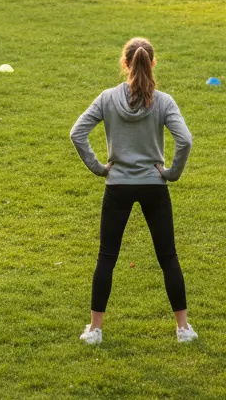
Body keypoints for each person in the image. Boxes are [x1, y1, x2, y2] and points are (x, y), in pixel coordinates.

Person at [70, 37, 197, 346]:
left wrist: (100, 167)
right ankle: (183, 329)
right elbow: (186, 140)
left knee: (107, 257)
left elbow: (77, 133)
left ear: (124, 64)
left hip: (118, 186)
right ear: (152, 64)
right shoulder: (164, 101)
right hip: (154, 186)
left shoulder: (107, 98)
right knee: (168, 256)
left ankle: (95, 329)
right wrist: (171, 174)